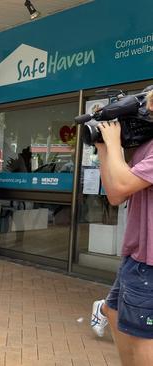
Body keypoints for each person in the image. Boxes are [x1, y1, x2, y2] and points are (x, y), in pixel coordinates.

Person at [90, 91, 153, 364]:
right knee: (113, 312)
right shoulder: (146, 147)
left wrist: (114, 143)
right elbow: (116, 195)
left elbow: (121, 185)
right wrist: (104, 147)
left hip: (149, 264)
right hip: (136, 258)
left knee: (143, 341)